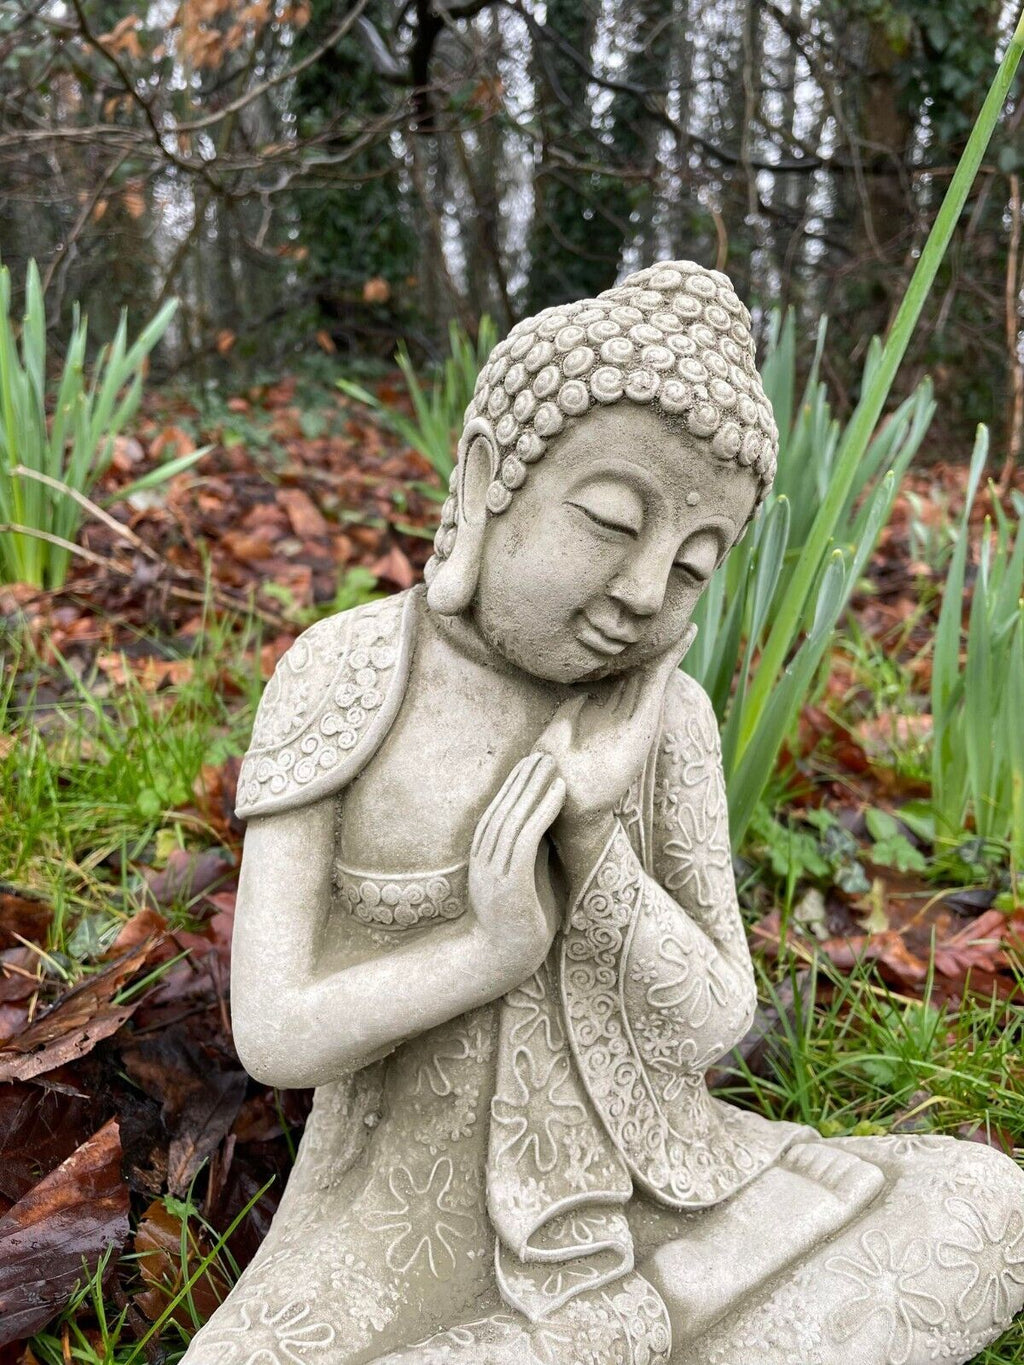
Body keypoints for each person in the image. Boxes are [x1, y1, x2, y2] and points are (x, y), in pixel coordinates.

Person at [183, 262, 1024, 1365]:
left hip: (668, 1190)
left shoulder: (665, 719)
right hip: (397, 1240)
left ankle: (646, 1310)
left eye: (692, 567)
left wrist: (592, 843)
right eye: (610, 522)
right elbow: (275, 1033)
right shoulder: (349, 673)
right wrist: (488, 952)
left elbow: (714, 1018)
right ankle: (649, 1319)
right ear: (487, 477)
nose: (641, 591)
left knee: (985, 1201)